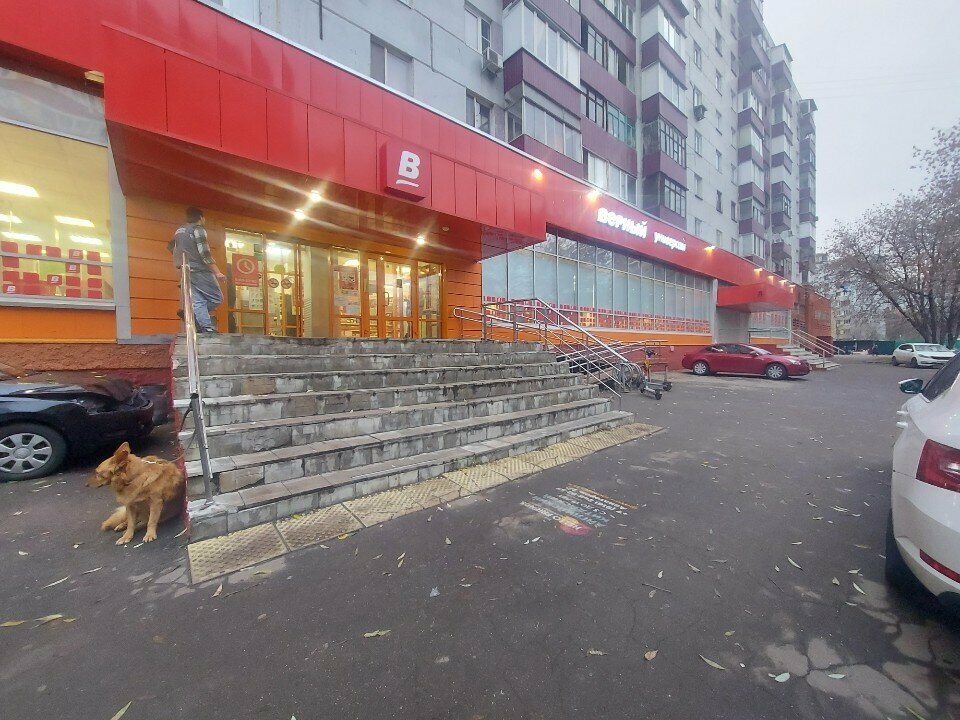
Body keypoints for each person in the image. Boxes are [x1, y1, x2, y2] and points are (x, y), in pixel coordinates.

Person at [170, 207, 225, 333]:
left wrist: (179, 269)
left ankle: (206, 327)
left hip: (186, 270)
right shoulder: (198, 229)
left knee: (199, 301)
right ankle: (195, 314)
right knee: (216, 298)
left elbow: (173, 250)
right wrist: (217, 272)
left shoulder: (179, 231)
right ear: (201, 218)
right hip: (200, 270)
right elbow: (204, 254)